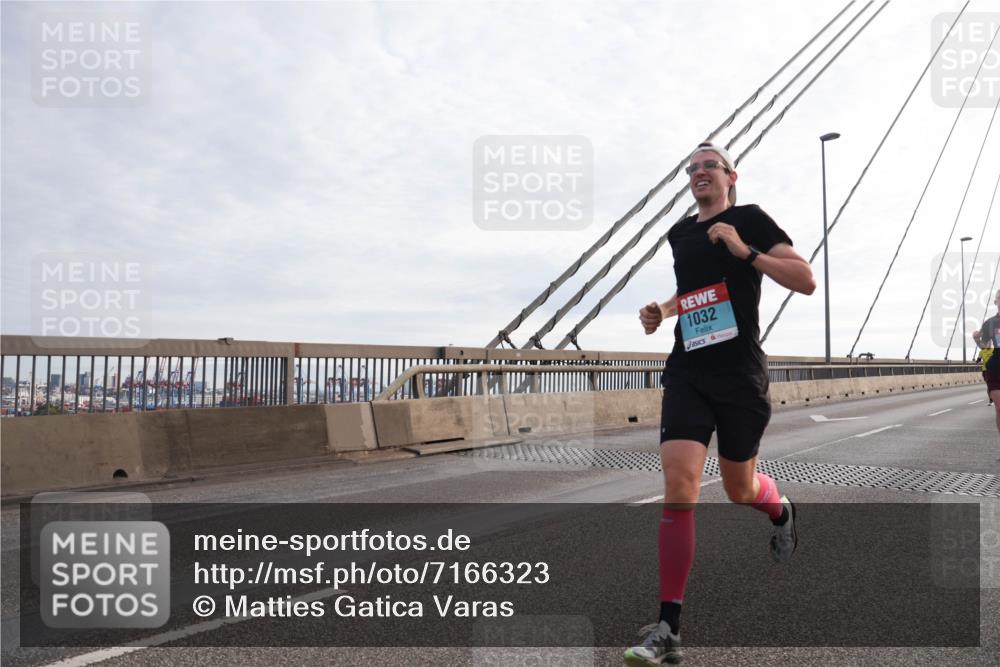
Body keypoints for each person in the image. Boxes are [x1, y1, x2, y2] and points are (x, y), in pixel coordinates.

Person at [625, 142, 816, 665]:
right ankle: (668, 627)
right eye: (692, 168)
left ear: (732, 176)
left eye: (710, 164)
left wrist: (746, 251)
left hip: (739, 377)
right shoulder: (681, 233)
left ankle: (779, 510)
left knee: (738, 488)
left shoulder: (750, 220)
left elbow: (805, 280)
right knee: (680, 484)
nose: (700, 171)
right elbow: (696, 293)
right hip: (688, 369)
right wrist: (663, 310)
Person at [972, 289, 1000, 431]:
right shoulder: (990, 323)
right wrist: (977, 339)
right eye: (999, 298)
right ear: (995, 302)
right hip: (995, 367)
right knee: (999, 408)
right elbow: (985, 346)